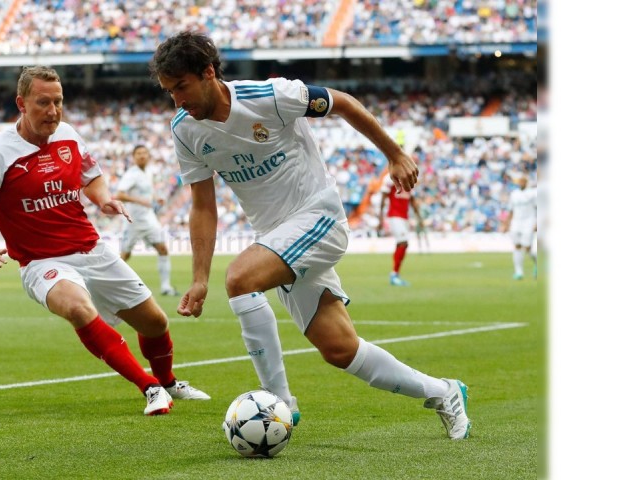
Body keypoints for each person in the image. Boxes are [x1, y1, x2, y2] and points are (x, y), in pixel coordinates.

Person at [150, 31, 471, 439]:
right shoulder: (186, 130)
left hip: (318, 217)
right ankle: (444, 392)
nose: (177, 100)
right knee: (340, 349)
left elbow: (344, 103)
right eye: (168, 91)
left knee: (240, 279)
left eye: (182, 87)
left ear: (208, 72)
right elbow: (202, 206)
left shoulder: (271, 96)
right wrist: (198, 278)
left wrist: (395, 153)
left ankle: (277, 403)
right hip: (278, 238)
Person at [0, 65, 209, 416]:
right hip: (43, 263)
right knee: (77, 308)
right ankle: (148, 387)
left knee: (156, 323)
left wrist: (103, 199)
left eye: (58, 102)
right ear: (21, 104)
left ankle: (166, 382)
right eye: (43, 102)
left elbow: (92, 176)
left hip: (91, 248)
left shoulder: (69, 136)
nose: (53, 111)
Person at [114, 145, 180, 296]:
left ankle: (165, 287)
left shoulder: (149, 171)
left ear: (149, 155)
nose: (142, 156)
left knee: (163, 249)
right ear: (134, 157)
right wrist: (140, 201)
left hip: (149, 218)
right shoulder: (131, 174)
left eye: (144, 153)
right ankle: (113, 285)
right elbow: (119, 194)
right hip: (133, 220)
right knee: (125, 255)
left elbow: (148, 191)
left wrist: (156, 198)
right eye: (138, 153)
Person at [377, 173, 424, 286]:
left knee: (402, 244)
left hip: (404, 217)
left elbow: (412, 201)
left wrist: (419, 218)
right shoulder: (390, 178)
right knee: (403, 243)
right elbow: (383, 197)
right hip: (394, 216)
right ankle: (394, 274)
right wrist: (380, 218)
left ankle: (395, 275)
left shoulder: (408, 180)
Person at [503, 175, 538, 280]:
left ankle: (537, 263)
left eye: (522, 181)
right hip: (516, 222)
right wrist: (506, 224)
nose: (520, 183)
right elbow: (511, 210)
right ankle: (519, 272)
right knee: (517, 246)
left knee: (527, 247)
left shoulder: (533, 193)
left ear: (526, 182)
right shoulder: (514, 194)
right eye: (519, 181)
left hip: (529, 221)